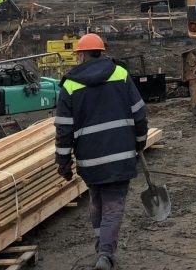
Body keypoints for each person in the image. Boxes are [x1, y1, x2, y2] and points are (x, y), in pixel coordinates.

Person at [55, 34, 148, 270]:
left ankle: (101, 247)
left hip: (90, 160)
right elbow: (139, 112)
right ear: (102, 52)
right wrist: (140, 142)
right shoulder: (121, 74)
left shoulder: (70, 85)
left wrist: (63, 162)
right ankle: (105, 254)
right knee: (114, 205)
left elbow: (63, 129)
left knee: (97, 201)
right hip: (121, 155)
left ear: (82, 55)